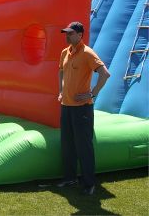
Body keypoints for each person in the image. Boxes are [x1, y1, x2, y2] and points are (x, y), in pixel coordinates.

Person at [57, 22, 110, 196]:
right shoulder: (65, 52)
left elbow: (105, 74)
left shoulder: (87, 53)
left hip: (82, 109)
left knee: (84, 146)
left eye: (71, 33)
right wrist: (61, 91)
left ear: (80, 35)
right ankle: (70, 178)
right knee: (67, 144)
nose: (67, 35)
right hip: (66, 106)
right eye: (66, 33)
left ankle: (89, 184)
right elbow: (61, 72)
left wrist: (92, 94)